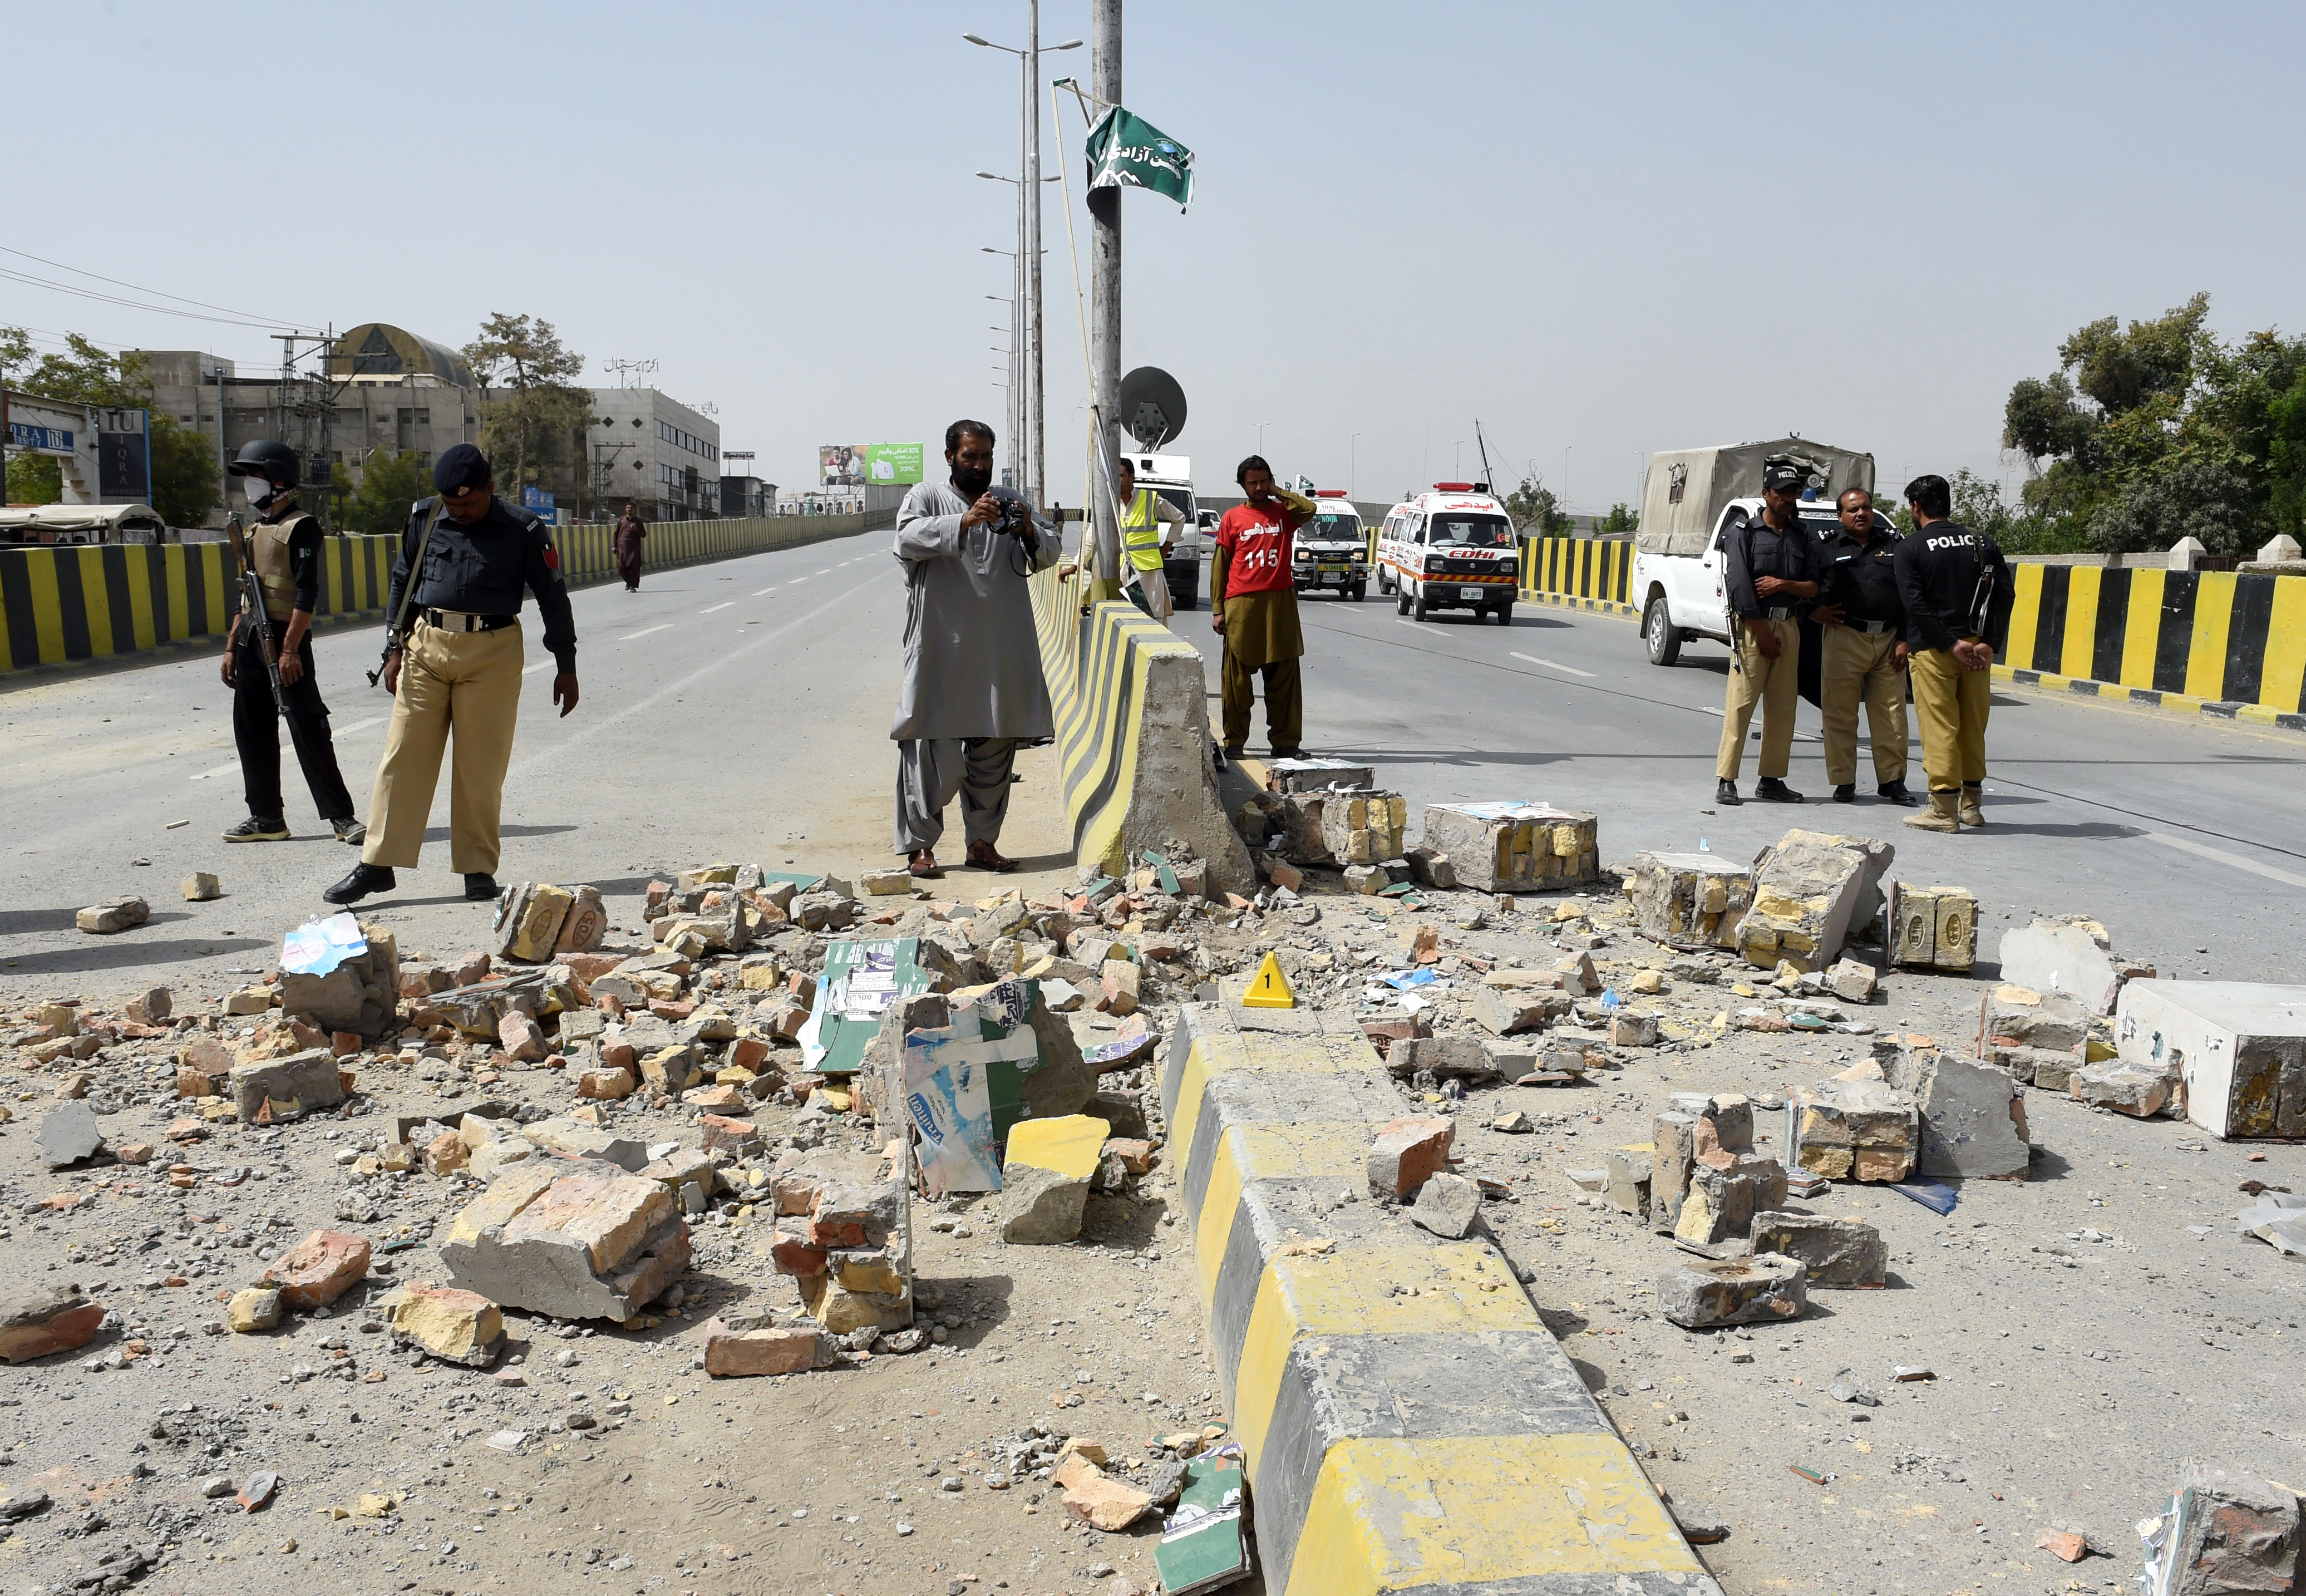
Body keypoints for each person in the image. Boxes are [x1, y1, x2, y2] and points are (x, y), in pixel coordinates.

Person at [323, 444, 579, 905]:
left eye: (469, 503)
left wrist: (566, 664)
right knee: (402, 757)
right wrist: (393, 647)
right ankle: (377, 864)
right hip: (426, 645)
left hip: (492, 651)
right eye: (453, 505)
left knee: (480, 766)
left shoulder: (525, 529)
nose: (459, 512)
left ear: (490, 489)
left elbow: (553, 598)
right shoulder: (425, 518)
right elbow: (404, 581)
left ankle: (477, 869)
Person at [890, 419, 1060, 878]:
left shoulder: (1009, 499)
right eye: (971, 457)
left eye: (986, 457)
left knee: (995, 752)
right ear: (951, 457)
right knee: (931, 749)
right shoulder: (926, 497)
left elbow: (1051, 551)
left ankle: (982, 844)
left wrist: (1027, 529)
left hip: (1000, 653)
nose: (980, 466)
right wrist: (963, 521)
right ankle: (920, 848)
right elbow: (905, 539)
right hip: (943, 651)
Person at [217, 439, 365, 846]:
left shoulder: (301, 527)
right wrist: (231, 647)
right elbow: (244, 594)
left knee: (307, 726)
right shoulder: (250, 531)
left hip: (285, 638)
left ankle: (341, 817)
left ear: (279, 481)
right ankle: (266, 817)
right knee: (252, 730)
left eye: (256, 476)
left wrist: (289, 650)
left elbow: (306, 593)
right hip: (251, 636)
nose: (249, 484)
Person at [1895, 473, 2013, 834]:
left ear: (1916, 507)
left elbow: (1915, 605)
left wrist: (1950, 644)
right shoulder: (1981, 542)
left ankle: (1943, 809)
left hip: (1935, 651)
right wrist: (1989, 643)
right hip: (1977, 650)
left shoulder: (1911, 548)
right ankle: (1972, 807)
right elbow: (2005, 595)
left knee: (1940, 728)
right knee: (1973, 728)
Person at [1715, 462, 1820, 805]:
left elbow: (1813, 587)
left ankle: (1771, 780)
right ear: (1766, 495)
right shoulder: (1743, 532)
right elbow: (1740, 586)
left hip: (1789, 626)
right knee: (1742, 705)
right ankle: (1727, 779)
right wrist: (1761, 631)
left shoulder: (1801, 535)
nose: (1789, 499)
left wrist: (1785, 585)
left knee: (1782, 708)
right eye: (1782, 493)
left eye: (1793, 493)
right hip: (1752, 627)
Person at [1811, 486, 1916, 806]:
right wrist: (1812, 611)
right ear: (1841, 516)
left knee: (1892, 715)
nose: (1861, 514)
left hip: (1888, 641)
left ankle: (1893, 780)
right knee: (1840, 714)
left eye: (1866, 508)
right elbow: (1808, 585)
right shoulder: (1825, 548)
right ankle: (1844, 781)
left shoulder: (1896, 545)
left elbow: (1912, 595)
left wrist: (1905, 639)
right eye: (1853, 510)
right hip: (1845, 638)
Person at [1212, 456, 1314, 759]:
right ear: (1242, 484)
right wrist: (1219, 609)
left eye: (1263, 481)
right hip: (1242, 605)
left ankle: (1286, 743)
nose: (1258, 487)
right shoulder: (1232, 518)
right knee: (1237, 681)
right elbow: (1221, 567)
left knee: (1284, 675)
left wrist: (1279, 492)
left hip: (1280, 603)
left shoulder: (1284, 514)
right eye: (1252, 482)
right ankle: (1235, 741)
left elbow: (1309, 509)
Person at [1115, 457, 1186, 623]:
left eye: (1120, 475)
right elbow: (1092, 536)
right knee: (1124, 622)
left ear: (1132, 477)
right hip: (1120, 572)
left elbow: (1179, 518)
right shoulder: (1109, 502)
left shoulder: (1150, 499)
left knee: (1153, 621)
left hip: (1148, 574)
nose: (1116, 480)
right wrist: (1076, 564)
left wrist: (1165, 548)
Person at [613, 503, 647, 591]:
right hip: (622, 548)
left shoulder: (638, 522)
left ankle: (632, 586)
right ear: (626, 509)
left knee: (634, 569)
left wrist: (636, 530)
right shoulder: (621, 521)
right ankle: (628, 582)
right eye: (628, 508)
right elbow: (616, 533)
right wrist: (614, 546)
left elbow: (644, 535)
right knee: (621, 567)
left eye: (631, 508)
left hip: (634, 549)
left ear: (634, 510)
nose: (629, 510)